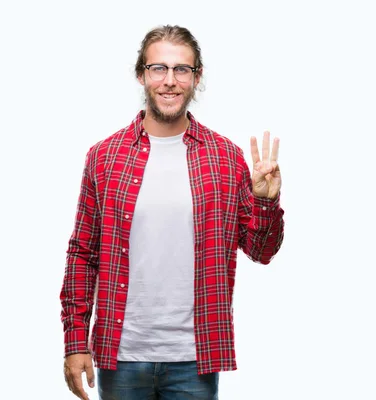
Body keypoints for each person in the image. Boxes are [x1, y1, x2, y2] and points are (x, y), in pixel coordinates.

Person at [60, 24, 284, 400]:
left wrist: (265, 201)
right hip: (122, 355)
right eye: (158, 68)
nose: (169, 81)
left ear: (197, 78)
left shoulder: (225, 158)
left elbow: (261, 252)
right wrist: (75, 341)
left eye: (182, 69)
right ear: (141, 75)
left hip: (195, 358)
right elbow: (83, 253)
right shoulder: (104, 157)